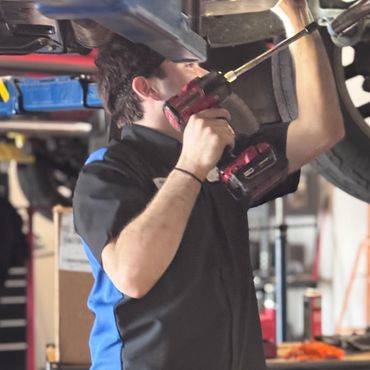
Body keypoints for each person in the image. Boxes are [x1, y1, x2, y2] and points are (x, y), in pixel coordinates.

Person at [73, 0, 344, 369]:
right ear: (147, 88)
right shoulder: (108, 171)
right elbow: (131, 276)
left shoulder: (222, 153)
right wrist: (191, 167)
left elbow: (321, 130)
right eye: (187, 65)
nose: (203, 72)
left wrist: (296, 18)